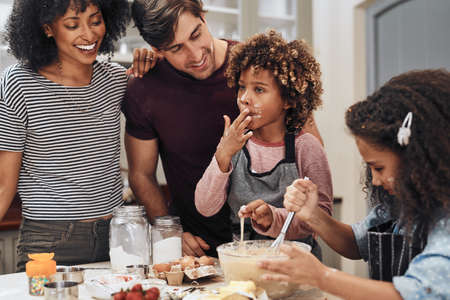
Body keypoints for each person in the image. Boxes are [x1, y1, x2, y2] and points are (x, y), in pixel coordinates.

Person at [123, 0, 324, 257]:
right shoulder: (144, 89)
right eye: (176, 48)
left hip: (280, 245)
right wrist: (169, 232)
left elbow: (309, 148)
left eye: (196, 35)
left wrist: (312, 215)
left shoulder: (255, 66)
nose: (196, 55)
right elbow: (141, 175)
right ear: (157, 49)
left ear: (204, 17)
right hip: (200, 251)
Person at [259, 69, 450, 299]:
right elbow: (356, 244)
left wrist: (321, 276)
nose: (376, 180)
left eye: (378, 168)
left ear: (419, 157)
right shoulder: (402, 203)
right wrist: (313, 215)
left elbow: (414, 294)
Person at [0, 0, 133, 271]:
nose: (89, 34)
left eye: (96, 21)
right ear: (47, 28)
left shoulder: (117, 80)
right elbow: (4, 186)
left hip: (118, 236)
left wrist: (153, 59)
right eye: (73, 25)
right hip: (49, 241)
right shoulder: (19, 83)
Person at [194, 30, 333, 258]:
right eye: (241, 87)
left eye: (259, 89)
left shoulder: (306, 147)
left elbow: (322, 219)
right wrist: (223, 155)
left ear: (288, 98)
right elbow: (205, 207)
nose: (245, 98)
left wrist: (273, 217)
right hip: (244, 260)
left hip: (296, 264)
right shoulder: (234, 144)